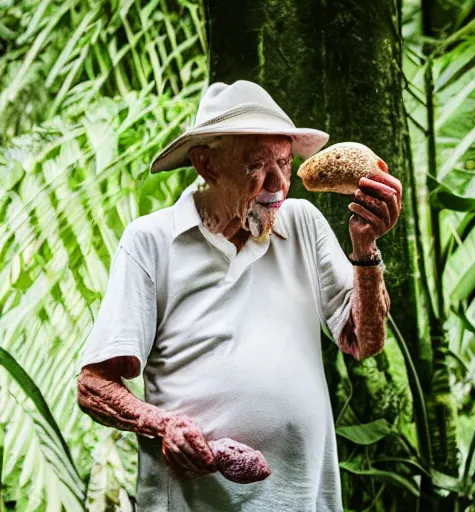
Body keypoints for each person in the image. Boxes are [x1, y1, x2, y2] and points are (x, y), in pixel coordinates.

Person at [76, 80, 402, 511]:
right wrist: (162, 426)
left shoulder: (302, 223)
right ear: (206, 164)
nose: (278, 185)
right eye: (256, 166)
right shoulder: (151, 241)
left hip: (303, 500)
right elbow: (93, 385)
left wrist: (365, 250)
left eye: (285, 164)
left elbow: (365, 340)